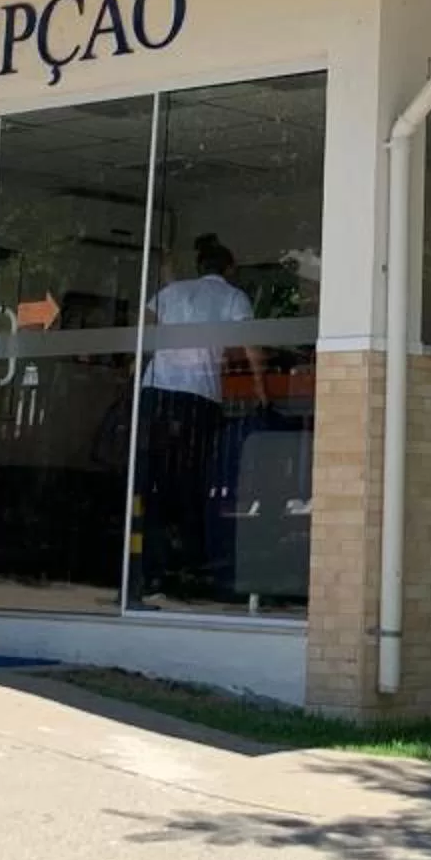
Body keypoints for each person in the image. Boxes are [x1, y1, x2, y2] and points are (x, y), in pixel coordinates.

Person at [139, 235, 250, 598]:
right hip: (197, 396)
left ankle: (150, 570)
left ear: (200, 266)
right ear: (229, 269)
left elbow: (143, 325)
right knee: (192, 482)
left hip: (155, 391)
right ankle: (189, 567)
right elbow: (248, 347)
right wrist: (261, 388)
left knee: (153, 482)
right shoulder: (234, 297)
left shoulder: (173, 292)